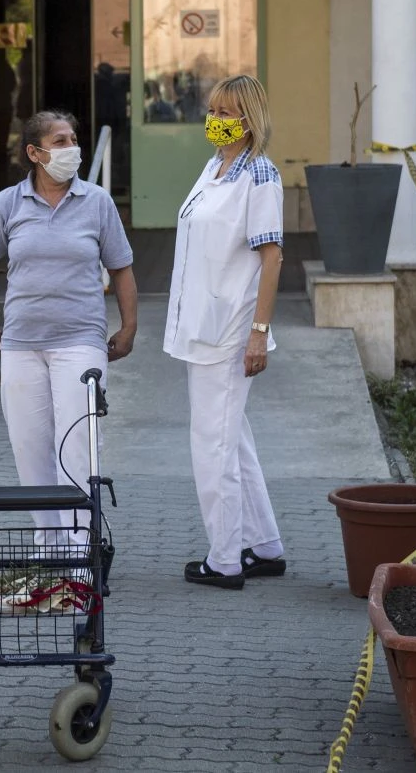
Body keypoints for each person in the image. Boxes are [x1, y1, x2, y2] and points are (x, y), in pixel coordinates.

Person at [0, 110, 138, 545]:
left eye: (73, 139)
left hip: (80, 340)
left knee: (77, 443)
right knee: (30, 448)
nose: (71, 148)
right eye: (60, 141)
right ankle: (50, 541)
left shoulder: (97, 202)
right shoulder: (8, 203)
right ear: (34, 153)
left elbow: (121, 269)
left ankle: (81, 546)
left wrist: (129, 326)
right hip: (21, 343)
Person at [163, 73, 286, 591]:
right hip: (202, 326)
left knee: (212, 444)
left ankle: (225, 560)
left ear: (250, 118)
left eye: (227, 111)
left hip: (231, 331)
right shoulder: (215, 168)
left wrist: (258, 332)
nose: (215, 120)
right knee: (233, 441)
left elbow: (272, 255)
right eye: (212, 110)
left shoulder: (260, 174)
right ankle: (265, 546)